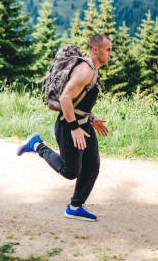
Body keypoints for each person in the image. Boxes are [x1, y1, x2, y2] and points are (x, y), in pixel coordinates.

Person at [17, 34, 112, 221]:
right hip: (69, 126)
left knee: (92, 166)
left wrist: (91, 118)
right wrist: (75, 127)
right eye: (108, 49)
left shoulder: (92, 70)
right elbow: (65, 98)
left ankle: (75, 207)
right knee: (71, 172)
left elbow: (78, 101)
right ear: (95, 50)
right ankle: (37, 145)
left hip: (83, 124)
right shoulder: (86, 71)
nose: (111, 53)